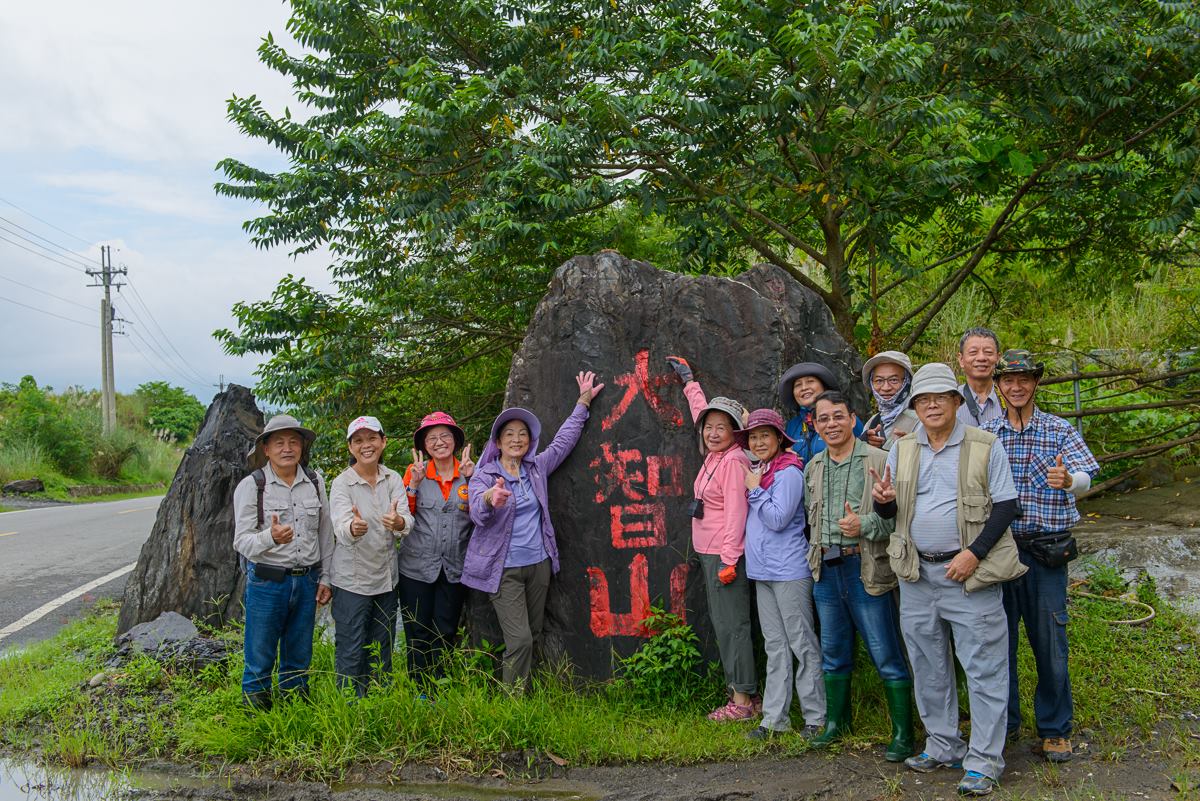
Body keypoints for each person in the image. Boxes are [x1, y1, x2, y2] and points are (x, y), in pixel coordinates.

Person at [872, 362, 1027, 796]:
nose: (932, 404)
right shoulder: (902, 449)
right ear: (914, 406)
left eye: (941, 396)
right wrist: (882, 503)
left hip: (969, 576)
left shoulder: (983, 444)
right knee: (928, 666)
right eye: (923, 399)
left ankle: (983, 762)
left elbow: (1006, 505)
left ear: (958, 401)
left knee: (984, 669)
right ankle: (943, 745)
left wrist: (974, 554)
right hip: (916, 574)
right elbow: (890, 514)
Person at [983, 350, 1100, 764]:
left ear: (1036, 383)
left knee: (1050, 641)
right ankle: (1005, 722)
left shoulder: (1058, 429)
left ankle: (1054, 728)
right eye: (1009, 381)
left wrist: (1070, 480)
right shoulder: (987, 431)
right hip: (999, 551)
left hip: (1046, 552)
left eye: (1025, 379)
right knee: (999, 643)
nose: (1017, 387)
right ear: (998, 385)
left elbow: (1088, 473)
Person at [464, 371, 605, 688]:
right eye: (509, 434)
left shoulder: (536, 468)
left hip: (538, 565)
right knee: (520, 639)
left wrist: (583, 402)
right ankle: (513, 708)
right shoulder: (486, 474)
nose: (516, 439)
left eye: (522, 434)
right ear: (498, 442)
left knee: (535, 633)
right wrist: (490, 499)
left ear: (529, 440)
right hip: (504, 570)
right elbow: (476, 509)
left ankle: (528, 693)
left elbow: (564, 442)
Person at [804, 390, 914, 762]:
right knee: (833, 653)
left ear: (853, 419)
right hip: (825, 570)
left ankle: (903, 733)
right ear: (815, 425)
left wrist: (863, 524)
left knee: (885, 651)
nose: (831, 424)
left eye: (838, 416)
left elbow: (900, 520)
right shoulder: (814, 466)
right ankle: (838, 724)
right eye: (823, 419)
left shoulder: (881, 460)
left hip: (866, 569)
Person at [665, 356, 758, 721]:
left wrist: (730, 560)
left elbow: (738, 514)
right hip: (710, 553)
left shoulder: (735, 461)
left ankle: (743, 703)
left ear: (737, 432)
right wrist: (690, 382)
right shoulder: (715, 454)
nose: (713, 432)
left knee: (732, 625)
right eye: (709, 428)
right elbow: (701, 413)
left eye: (723, 427)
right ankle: (742, 689)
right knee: (724, 623)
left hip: (724, 556)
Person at [232, 414, 334, 710]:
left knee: (299, 656)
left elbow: (325, 534)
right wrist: (271, 538)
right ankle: (255, 721)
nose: (287, 448)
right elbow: (242, 541)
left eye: (293, 442)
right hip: (267, 582)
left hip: (307, 582)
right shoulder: (252, 486)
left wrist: (326, 578)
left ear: (302, 446)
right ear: (266, 448)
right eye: (279, 442)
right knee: (259, 657)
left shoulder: (315, 482)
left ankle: (295, 715)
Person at [735, 408, 824, 740]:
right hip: (762, 572)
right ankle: (774, 719)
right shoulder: (760, 469)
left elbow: (777, 519)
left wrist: (755, 490)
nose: (758, 442)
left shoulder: (788, 473)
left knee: (802, 643)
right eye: (753, 437)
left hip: (789, 571)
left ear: (778, 439)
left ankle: (815, 717)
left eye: (764, 436)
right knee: (775, 646)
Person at [328, 415, 413, 696]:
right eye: (359, 440)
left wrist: (398, 523)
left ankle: (379, 704)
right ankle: (349, 707)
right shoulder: (342, 484)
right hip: (352, 581)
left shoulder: (393, 478)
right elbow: (340, 527)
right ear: (350, 447)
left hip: (387, 579)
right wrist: (354, 527)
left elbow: (406, 520)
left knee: (382, 646)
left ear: (383, 442)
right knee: (351, 648)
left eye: (372, 438)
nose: (366, 445)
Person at [399, 411, 476, 684]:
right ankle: (419, 687)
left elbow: (480, 518)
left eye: (445, 435)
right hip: (416, 568)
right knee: (416, 630)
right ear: (423, 445)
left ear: (455, 440)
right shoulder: (414, 472)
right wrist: (414, 486)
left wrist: (473, 480)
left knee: (445, 628)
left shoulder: (470, 472)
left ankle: (440, 684)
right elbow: (402, 518)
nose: (439, 442)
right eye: (432, 438)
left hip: (454, 567)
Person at [778, 362, 865, 463]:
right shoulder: (793, 426)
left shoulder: (845, 419)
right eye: (798, 385)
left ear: (824, 386)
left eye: (810, 381)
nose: (804, 388)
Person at [861, 351, 920, 450]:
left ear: (907, 382)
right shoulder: (872, 422)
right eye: (879, 381)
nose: (886, 387)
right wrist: (864, 444)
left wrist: (914, 446)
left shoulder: (920, 418)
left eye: (893, 380)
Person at [957, 328, 1005, 427]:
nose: (981, 358)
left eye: (988, 352)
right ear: (961, 359)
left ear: (998, 358)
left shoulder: (1009, 398)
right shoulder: (951, 400)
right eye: (973, 352)